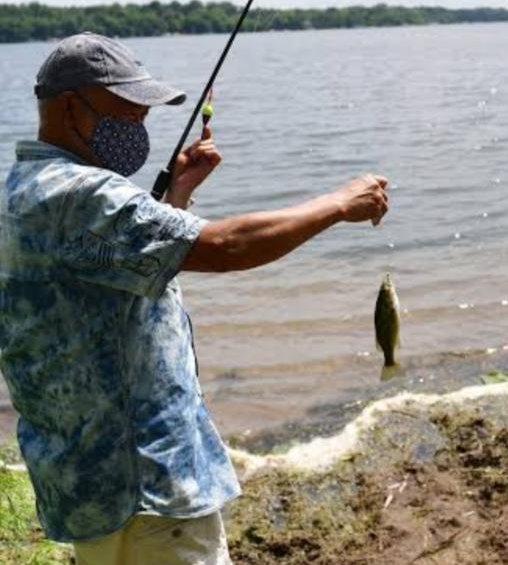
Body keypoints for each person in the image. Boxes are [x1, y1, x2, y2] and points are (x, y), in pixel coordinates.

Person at [0, 32, 390, 564]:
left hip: (86, 485)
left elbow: (113, 277)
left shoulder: (22, 189)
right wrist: (340, 203)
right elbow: (227, 246)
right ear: (70, 108)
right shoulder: (82, 193)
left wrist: (177, 195)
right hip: (152, 486)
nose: (138, 129)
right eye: (128, 114)